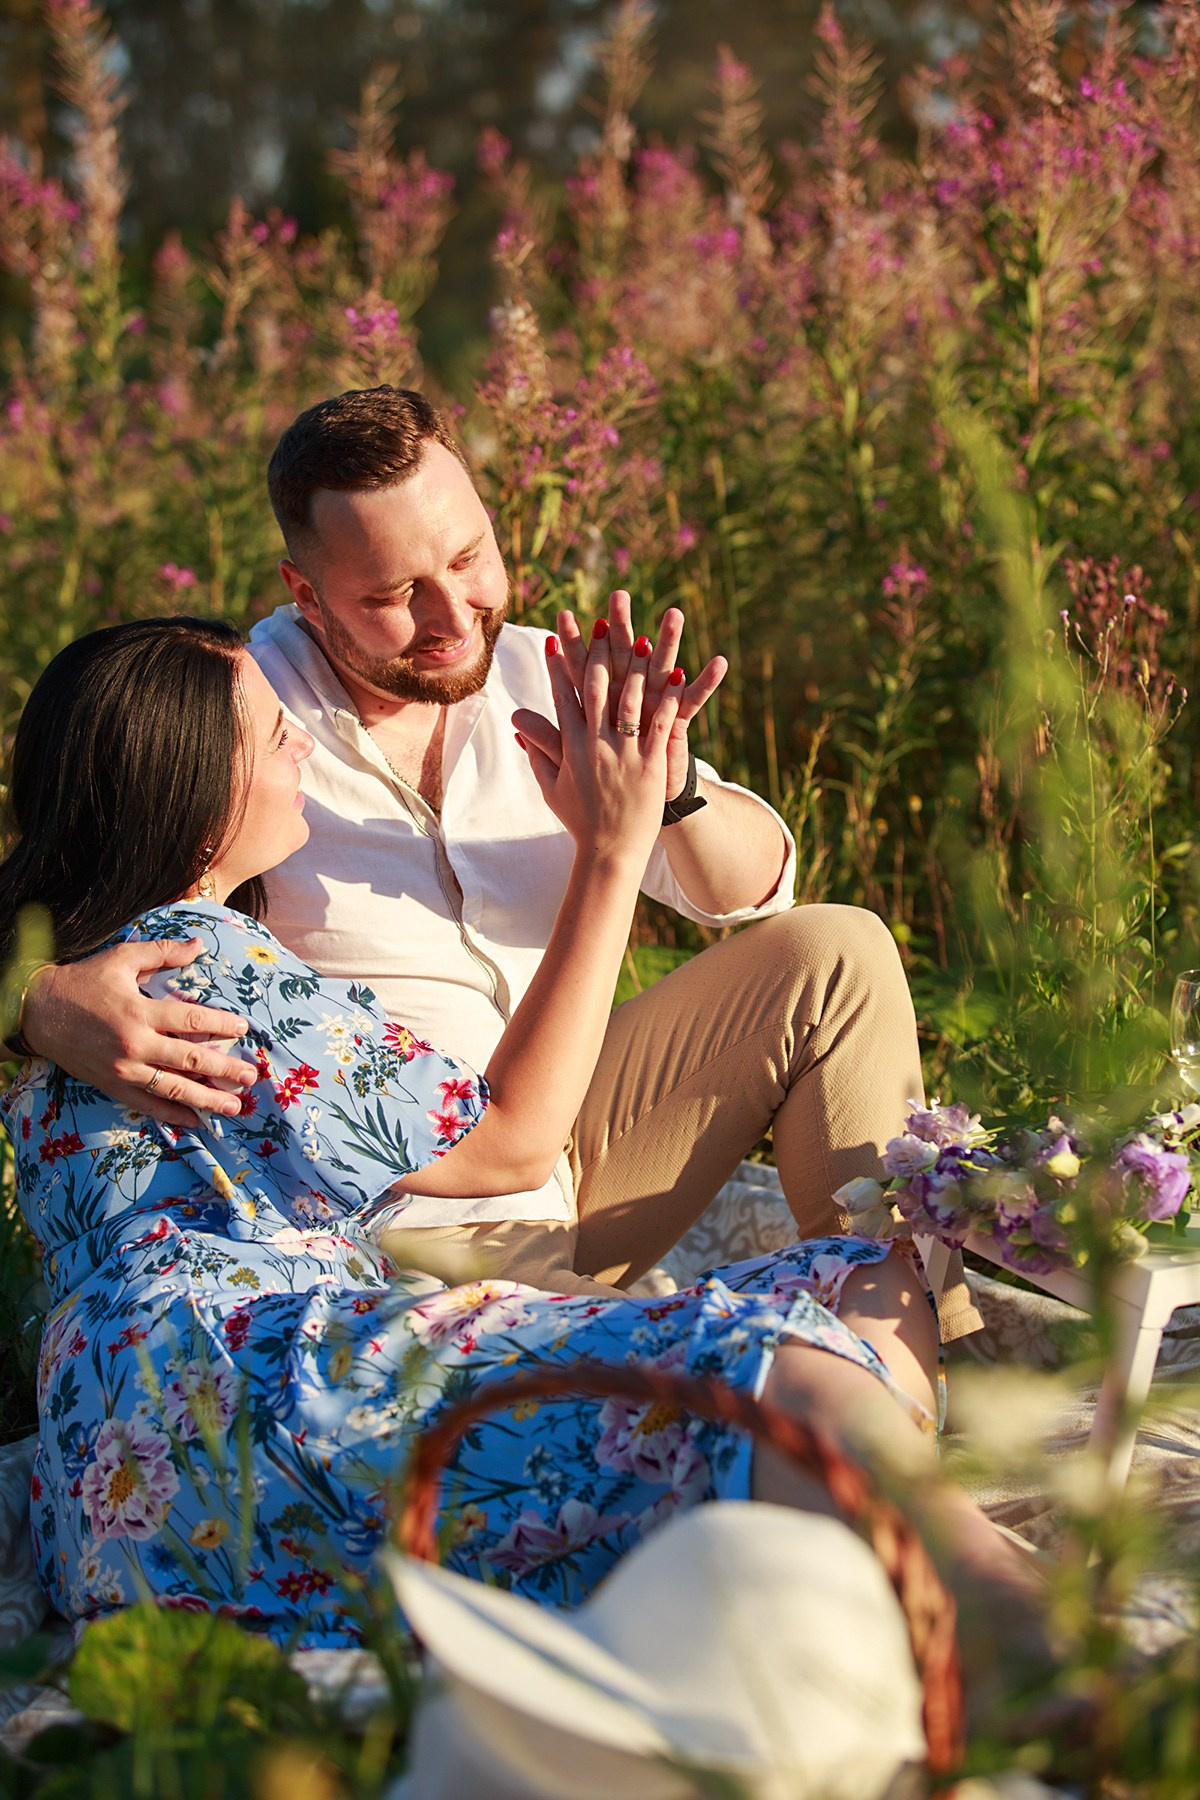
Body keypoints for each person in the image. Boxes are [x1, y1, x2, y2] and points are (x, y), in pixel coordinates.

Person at [0, 614, 972, 1650]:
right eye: (276, 739)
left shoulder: (94, 970)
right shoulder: (207, 957)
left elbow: (756, 880)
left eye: (469, 560)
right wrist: (611, 852)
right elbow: (509, 1142)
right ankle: (962, 1610)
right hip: (258, 1391)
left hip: (120, 1481)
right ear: (198, 805)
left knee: (844, 1287)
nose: (302, 748)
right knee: (775, 1368)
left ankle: (874, 1523)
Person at [5, 385, 979, 1337]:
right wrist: (36, 997)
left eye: (469, 558)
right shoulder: (240, 726)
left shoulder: (540, 676)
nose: (454, 616)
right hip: (402, 1219)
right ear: (306, 592)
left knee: (837, 952)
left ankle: (931, 1334)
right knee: (734, 1380)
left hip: (569, 1153)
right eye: (395, 595)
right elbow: (83, 865)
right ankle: (847, 1377)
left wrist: (672, 787)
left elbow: (753, 890)